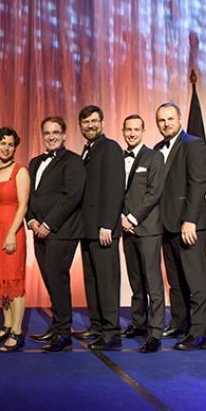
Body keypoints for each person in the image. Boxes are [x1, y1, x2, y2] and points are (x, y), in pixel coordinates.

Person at [154, 102, 206, 350]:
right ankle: (180, 323)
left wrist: (190, 220)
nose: (166, 123)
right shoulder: (157, 148)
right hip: (166, 225)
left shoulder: (194, 144)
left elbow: (198, 185)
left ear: (179, 120)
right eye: (161, 120)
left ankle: (199, 334)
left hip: (189, 225)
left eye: (170, 119)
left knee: (195, 281)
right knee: (176, 281)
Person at [26, 116, 86, 352]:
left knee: (58, 279)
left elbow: (71, 197)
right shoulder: (34, 162)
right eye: (47, 132)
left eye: (56, 132)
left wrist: (48, 224)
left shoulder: (73, 161)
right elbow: (30, 195)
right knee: (49, 279)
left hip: (61, 231)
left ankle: (63, 333)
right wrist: (30, 219)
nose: (51, 136)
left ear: (64, 135)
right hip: (37, 230)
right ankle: (56, 325)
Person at [78, 105, 125, 351]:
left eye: (94, 121)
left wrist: (107, 223)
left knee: (106, 280)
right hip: (87, 229)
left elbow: (115, 189)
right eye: (86, 122)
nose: (90, 126)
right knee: (92, 279)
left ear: (102, 122)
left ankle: (111, 332)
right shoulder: (88, 151)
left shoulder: (111, 148)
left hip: (103, 229)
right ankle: (97, 326)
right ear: (80, 126)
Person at [119, 115, 166, 353]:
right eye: (128, 129)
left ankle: (155, 331)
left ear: (143, 131)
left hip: (147, 229)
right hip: (126, 229)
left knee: (152, 282)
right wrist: (121, 219)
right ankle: (138, 323)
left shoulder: (154, 157)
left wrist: (133, 218)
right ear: (123, 131)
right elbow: (116, 192)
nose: (132, 133)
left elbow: (154, 193)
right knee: (135, 281)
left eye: (136, 129)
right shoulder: (119, 157)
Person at [0, 127, 30, 352]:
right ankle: (7, 324)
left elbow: (23, 205)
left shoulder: (20, 171)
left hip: (11, 232)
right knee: (1, 281)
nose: (6, 148)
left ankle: (18, 331)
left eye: (11, 144)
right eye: (2, 143)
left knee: (14, 282)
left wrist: (12, 232)